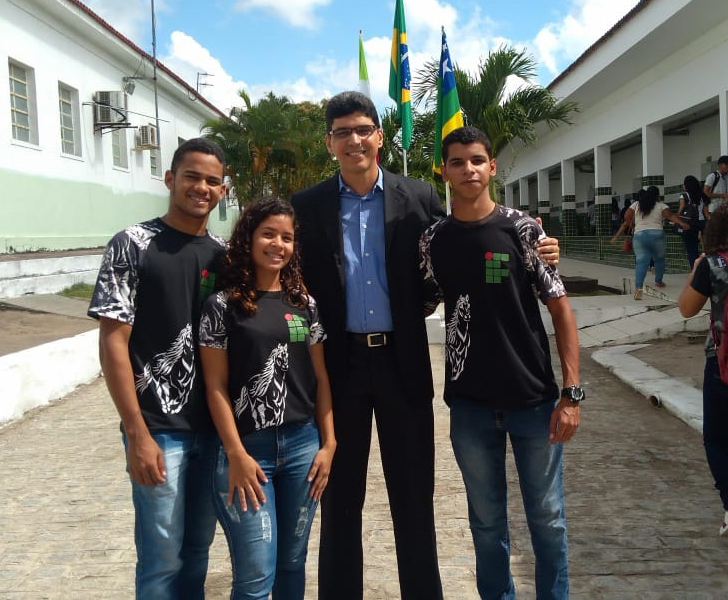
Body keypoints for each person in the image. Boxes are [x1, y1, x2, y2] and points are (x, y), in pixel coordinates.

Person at [290, 91, 560, 600]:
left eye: (363, 129)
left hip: (402, 361)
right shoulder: (306, 208)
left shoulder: (416, 198)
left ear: (380, 137)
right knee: (340, 499)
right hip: (338, 368)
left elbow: (469, 233)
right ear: (329, 143)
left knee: (414, 497)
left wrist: (538, 245)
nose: (354, 140)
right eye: (342, 132)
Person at [420, 126, 581, 599]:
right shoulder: (433, 239)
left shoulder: (524, 230)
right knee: (487, 526)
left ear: (492, 167)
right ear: (445, 172)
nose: (468, 169)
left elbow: (561, 309)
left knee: (547, 520)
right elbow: (422, 301)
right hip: (469, 406)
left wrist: (571, 393)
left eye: (476, 160)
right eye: (457, 162)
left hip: (533, 401)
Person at [88, 138, 227, 598]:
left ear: (222, 191)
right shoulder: (133, 244)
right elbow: (113, 340)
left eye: (211, 181)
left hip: (213, 430)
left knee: (198, 551)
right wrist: (136, 433)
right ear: (170, 179)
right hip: (157, 429)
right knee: (161, 558)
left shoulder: (227, 257)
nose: (201, 188)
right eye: (191, 176)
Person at [198, 197, 335, 599]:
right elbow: (215, 388)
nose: (278, 244)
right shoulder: (222, 307)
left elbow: (321, 378)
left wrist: (329, 443)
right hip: (247, 454)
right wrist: (236, 454)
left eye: (287, 238)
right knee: (256, 575)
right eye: (268, 234)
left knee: (293, 566)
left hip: (302, 450)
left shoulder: (304, 305)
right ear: (249, 239)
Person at [679, 203, 728, 538]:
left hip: (722, 364)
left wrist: (695, 269)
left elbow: (686, 308)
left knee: (717, 439)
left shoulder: (713, 265)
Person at [610, 186, 689, 300]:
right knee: (659, 259)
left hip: (639, 236)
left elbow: (627, 216)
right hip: (657, 235)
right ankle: (658, 281)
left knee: (641, 262)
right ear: (657, 196)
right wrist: (682, 223)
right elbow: (670, 216)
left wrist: (633, 226)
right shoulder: (661, 206)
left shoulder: (637, 204)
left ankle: (638, 288)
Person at [678, 175, 705, 268]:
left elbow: (681, 209)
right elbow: (705, 211)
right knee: (705, 248)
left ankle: (695, 271)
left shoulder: (684, 195)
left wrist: (676, 219)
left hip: (691, 224)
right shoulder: (701, 195)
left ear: (686, 185)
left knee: (692, 249)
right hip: (702, 222)